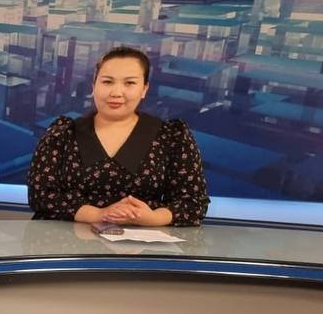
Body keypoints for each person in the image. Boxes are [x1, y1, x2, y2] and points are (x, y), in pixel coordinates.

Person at [27, 46, 209, 227]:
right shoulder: (62, 134)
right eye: (107, 82)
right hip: (66, 239)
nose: (116, 92)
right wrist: (100, 214)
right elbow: (40, 195)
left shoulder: (171, 137)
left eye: (129, 83)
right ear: (94, 86)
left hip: (143, 240)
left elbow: (193, 202)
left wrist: (152, 218)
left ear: (144, 89)